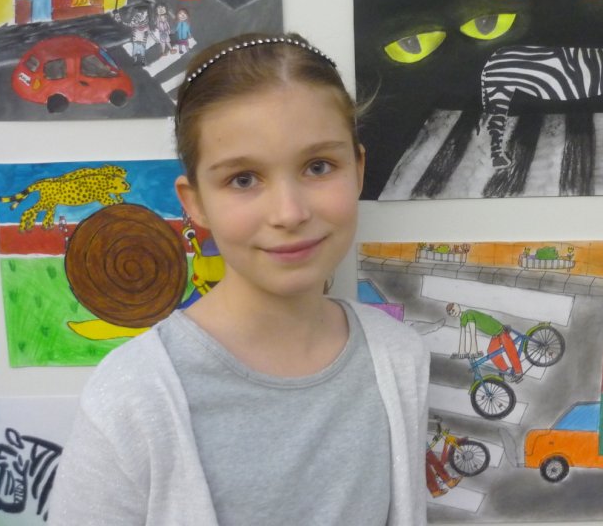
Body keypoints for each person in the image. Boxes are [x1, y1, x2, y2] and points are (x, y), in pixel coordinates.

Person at [48, 33, 430, 525]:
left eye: (318, 166)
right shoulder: (131, 396)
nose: (289, 212)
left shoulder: (398, 358)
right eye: (243, 179)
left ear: (357, 170)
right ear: (196, 202)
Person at [446, 302, 522, 381]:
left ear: (457, 306)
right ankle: (505, 369)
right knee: (491, 351)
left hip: (500, 330)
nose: (453, 313)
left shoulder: (468, 314)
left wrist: (473, 350)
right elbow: (463, 334)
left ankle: (518, 372)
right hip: (495, 334)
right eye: (450, 313)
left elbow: (472, 333)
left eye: (453, 310)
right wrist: (461, 351)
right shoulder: (463, 318)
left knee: (510, 349)